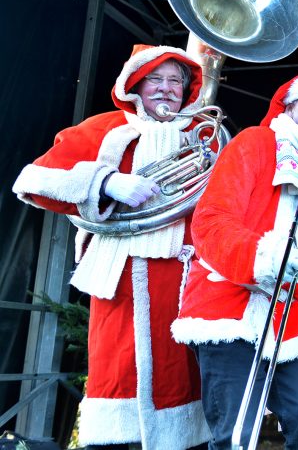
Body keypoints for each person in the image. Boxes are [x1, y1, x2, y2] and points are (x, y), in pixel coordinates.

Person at [12, 45, 212, 449]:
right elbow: (31, 182)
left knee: (182, 378)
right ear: (135, 83)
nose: (167, 89)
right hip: (122, 277)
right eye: (156, 79)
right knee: (120, 373)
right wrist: (104, 182)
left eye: (176, 81)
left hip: (189, 278)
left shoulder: (203, 136)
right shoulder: (107, 128)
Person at [170, 72, 298, 449]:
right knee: (237, 434)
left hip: (288, 318)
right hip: (226, 310)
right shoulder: (254, 142)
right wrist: (267, 257)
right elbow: (211, 221)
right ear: (289, 107)